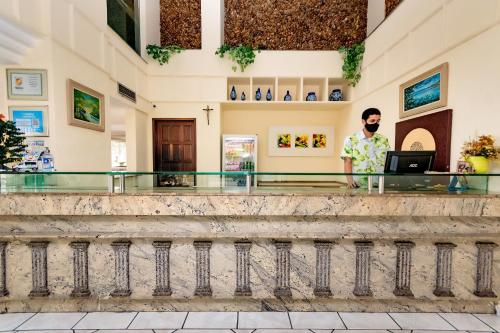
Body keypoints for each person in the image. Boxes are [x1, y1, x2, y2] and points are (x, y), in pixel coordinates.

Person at [340, 108, 391, 188]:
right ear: (364, 121)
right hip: (357, 185)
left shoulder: (384, 140)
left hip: (379, 185)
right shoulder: (351, 139)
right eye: (372, 121)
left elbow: (388, 161)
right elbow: (347, 161)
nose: (376, 123)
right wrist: (350, 181)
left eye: (378, 121)